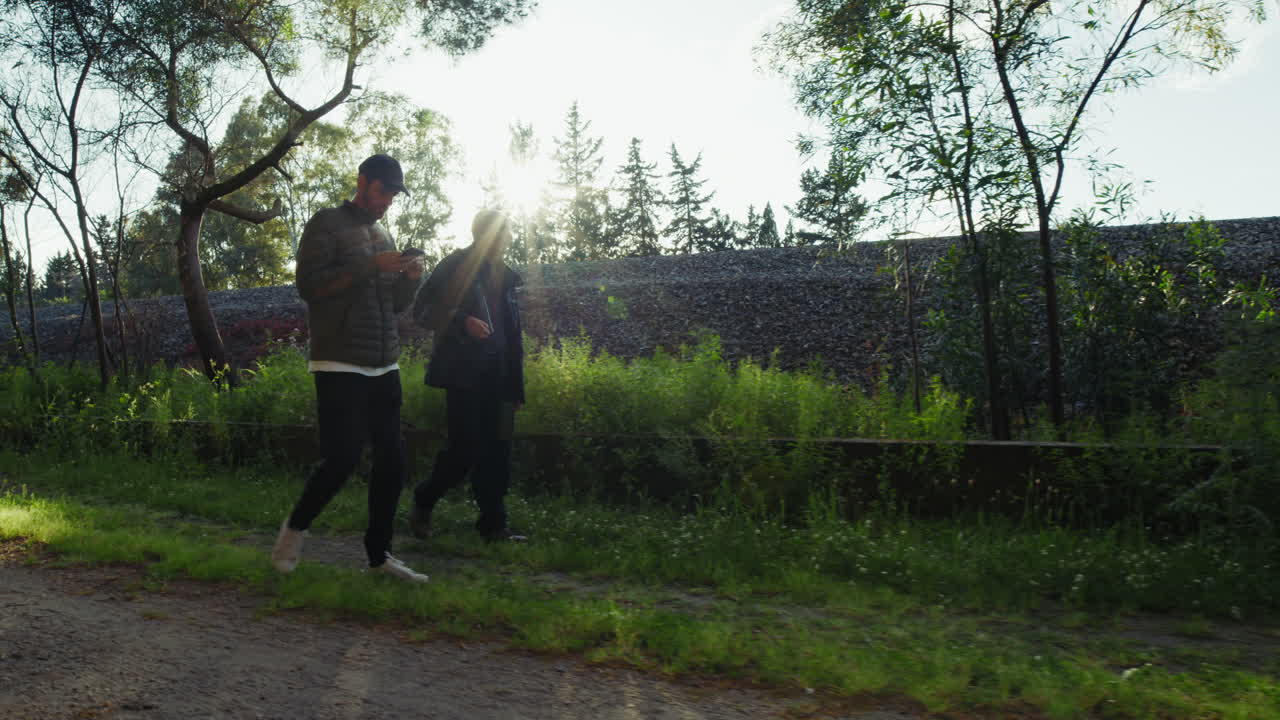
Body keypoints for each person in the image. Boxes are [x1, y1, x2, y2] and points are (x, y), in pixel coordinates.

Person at [271, 154, 430, 582]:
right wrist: (369, 266)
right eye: (383, 191)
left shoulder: (384, 233)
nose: (387, 202)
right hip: (338, 359)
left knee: (393, 461)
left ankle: (379, 557)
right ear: (363, 182)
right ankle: (293, 530)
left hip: (384, 362)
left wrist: (409, 279)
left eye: (394, 195)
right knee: (341, 459)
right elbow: (310, 285)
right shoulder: (326, 223)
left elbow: (393, 306)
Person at [408, 209, 527, 543]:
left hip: (500, 377)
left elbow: (513, 335)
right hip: (464, 375)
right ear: (487, 234)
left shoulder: (508, 277)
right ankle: (424, 499)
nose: (510, 238)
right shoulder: (454, 265)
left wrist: (517, 387)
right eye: (505, 232)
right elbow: (423, 312)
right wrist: (463, 321)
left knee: (498, 453)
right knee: (465, 451)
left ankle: (493, 526)